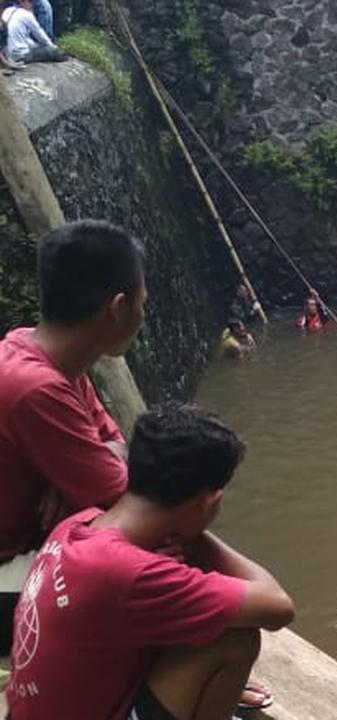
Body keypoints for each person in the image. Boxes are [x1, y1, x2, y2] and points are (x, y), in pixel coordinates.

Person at [4, 403, 295, 720]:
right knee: (234, 639)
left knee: (187, 619)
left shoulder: (79, 525)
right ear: (210, 501)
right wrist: (195, 531)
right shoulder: (132, 574)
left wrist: (180, 523)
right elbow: (278, 606)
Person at [0, 221, 141, 653]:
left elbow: (116, 443)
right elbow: (125, 495)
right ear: (116, 308)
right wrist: (87, 476)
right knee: (161, 543)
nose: (144, 314)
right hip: (6, 577)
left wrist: (69, 477)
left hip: (28, 548)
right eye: (143, 301)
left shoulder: (42, 354)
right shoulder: (34, 387)